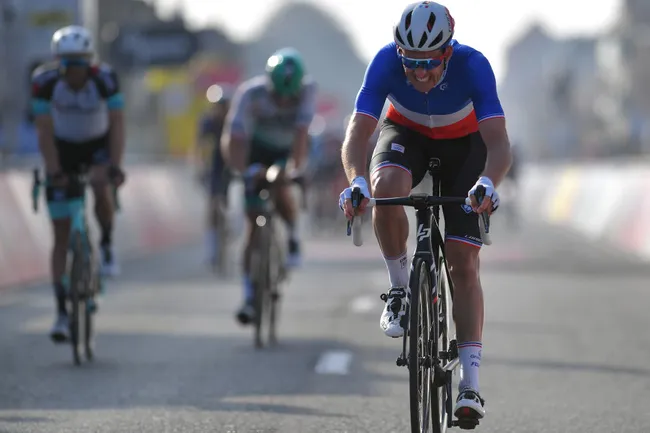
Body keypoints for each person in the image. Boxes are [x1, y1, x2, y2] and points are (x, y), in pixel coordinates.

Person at [338, 1, 512, 422]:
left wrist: (487, 183)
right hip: (407, 135)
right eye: (410, 62)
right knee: (386, 187)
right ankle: (400, 289)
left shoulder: (474, 66)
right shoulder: (383, 62)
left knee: (463, 262)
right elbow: (358, 133)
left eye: (429, 63)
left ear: (447, 52)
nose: (418, 72)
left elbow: (499, 143)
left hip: (464, 149)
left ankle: (469, 387)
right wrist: (356, 181)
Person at [31, 25, 126, 343]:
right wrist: (54, 170)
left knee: (100, 187)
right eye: (68, 63)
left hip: (97, 144)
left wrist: (114, 166)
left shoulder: (106, 79)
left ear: (91, 61)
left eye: (81, 62)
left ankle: (107, 243)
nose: (74, 70)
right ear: (58, 62)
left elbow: (117, 126)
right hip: (63, 147)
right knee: (59, 235)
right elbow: (44, 132)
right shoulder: (44, 82)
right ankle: (61, 312)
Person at [221, 47, 316, 325]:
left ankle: (292, 232)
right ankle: (250, 295)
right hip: (255, 149)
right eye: (278, 96)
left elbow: (301, 136)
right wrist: (242, 170)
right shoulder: (250, 94)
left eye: (291, 97)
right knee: (252, 224)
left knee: (281, 184)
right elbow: (233, 139)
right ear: (268, 84)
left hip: (286, 152)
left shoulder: (308, 91)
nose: (285, 101)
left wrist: (294, 170)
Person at [195, 86, 232, 270]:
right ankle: (211, 248)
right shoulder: (208, 122)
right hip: (216, 166)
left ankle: (231, 229)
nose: (221, 109)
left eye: (224, 106)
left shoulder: (234, 121)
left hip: (232, 164)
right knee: (212, 205)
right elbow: (200, 147)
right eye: (218, 106)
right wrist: (200, 167)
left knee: (230, 201)